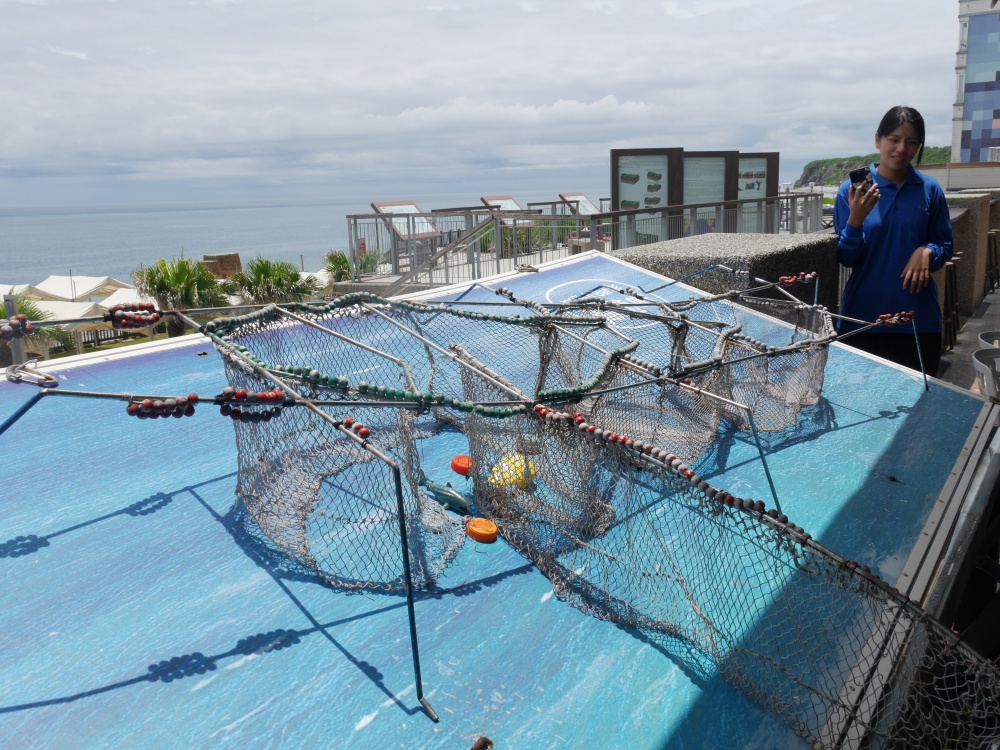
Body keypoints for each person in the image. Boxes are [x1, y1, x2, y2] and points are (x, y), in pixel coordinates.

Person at [833, 105, 954, 376]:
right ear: (878, 140)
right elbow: (847, 258)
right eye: (894, 140)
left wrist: (926, 251)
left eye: (911, 142)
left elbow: (945, 245)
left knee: (918, 409)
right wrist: (855, 221)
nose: (901, 149)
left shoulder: (929, 189)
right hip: (862, 317)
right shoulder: (852, 191)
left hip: (918, 319)